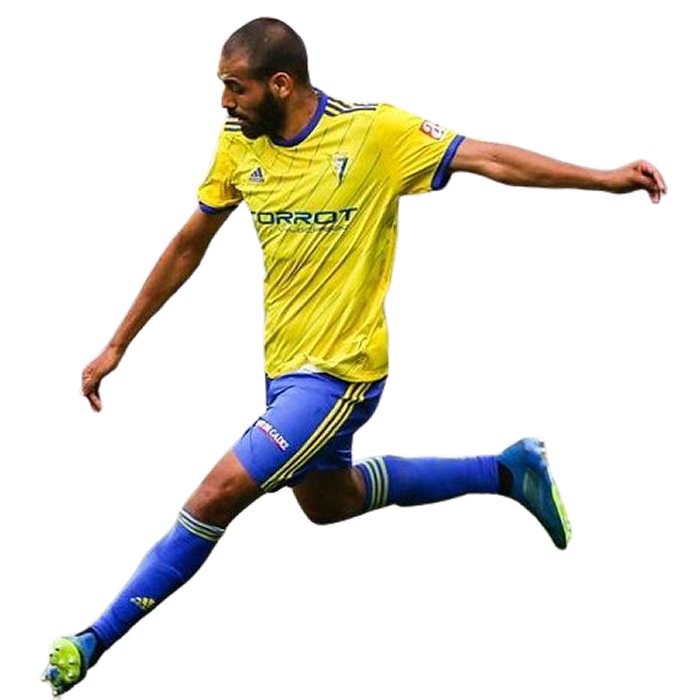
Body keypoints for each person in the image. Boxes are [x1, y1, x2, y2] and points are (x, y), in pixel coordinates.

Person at [42, 15, 667, 698]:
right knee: (329, 504)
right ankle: (506, 470)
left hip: (341, 374)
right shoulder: (238, 141)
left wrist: (606, 179)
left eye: (235, 87)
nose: (224, 101)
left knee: (216, 493)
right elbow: (189, 243)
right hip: (283, 371)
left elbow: (491, 159)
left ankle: (91, 640)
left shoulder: (375, 133)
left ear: (281, 84)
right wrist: (117, 345)